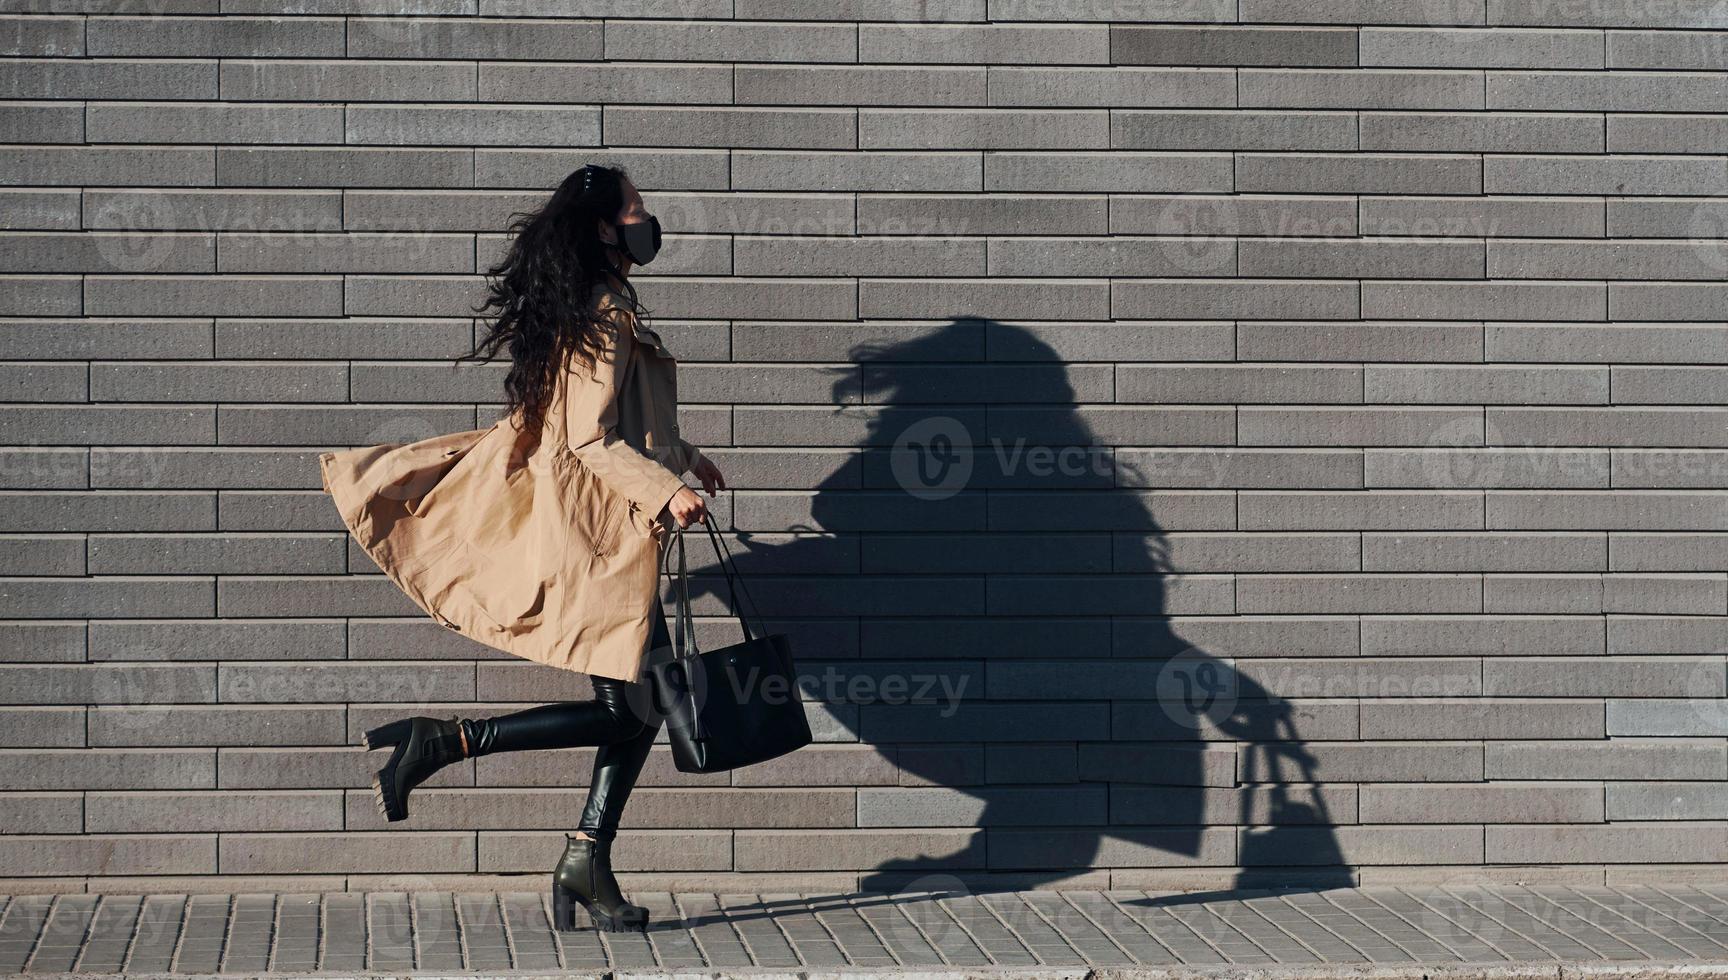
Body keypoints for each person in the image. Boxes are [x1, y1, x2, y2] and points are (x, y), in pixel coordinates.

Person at [317, 164, 726, 933]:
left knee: (635, 713)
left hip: (608, 528)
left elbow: (615, 418)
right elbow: (587, 436)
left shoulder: (600, 305)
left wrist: (682, 455)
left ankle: (585, 856)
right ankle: (445, 741)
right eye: (637, 210)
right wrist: (664, 490)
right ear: (606, 228)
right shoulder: (603, 312)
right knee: (631, 712)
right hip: (598, 537)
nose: (649, 221)